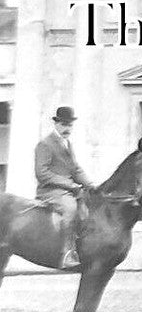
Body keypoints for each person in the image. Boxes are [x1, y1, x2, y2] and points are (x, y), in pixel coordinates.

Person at [34, 106, 92, 268]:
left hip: (68, 190)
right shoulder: (45, 144)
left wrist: (91, 185)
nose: (67, 129)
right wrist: (70, 185)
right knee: (70, 209)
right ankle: (66, 254)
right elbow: (42, 173)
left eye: (70, 125)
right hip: (50, 191)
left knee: (88, 208)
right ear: (56, 124)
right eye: (64, 125)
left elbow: (75, 169)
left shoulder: (67, 144)